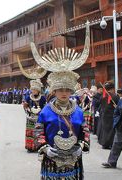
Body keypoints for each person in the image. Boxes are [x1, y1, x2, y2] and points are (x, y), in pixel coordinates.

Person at [31, 21, 91, 179]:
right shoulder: (46, 111)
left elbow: (85, 130)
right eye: (60, 90)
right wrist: (44, 147)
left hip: (74, 158)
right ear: (54, 91)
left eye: (67, 90)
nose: (64, 93)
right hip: (52, 158)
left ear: (71, 91)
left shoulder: (78, 110)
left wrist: (82, 145)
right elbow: (38, 131)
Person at [102, 86, 122, 173]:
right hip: (120, 127)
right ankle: (111, 162)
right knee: (116, 145)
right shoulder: (121, 101)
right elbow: (116, 112)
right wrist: (116, 122)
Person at [23, 79, 46, 152]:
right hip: (30, 117)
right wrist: (28, 110)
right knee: (30, 132)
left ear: (38, 90)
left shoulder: (42, 98)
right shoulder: (28, 97)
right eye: (32, 90)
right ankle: (30, 147)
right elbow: (25, 106)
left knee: (39, 132)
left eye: (35, 90)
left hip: (39, 117)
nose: (33, 91)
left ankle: (39, 146)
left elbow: (45, 107)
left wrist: (41, 112)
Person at [98, 81, 119, 149]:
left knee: (105, 130)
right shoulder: (115, 96)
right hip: (112, 115)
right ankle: (110, 144)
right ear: (112, 88)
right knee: (111, 131)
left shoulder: (102, 96)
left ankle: (104, 144)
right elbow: (118, 106)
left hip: (104, 115)